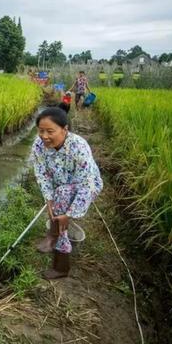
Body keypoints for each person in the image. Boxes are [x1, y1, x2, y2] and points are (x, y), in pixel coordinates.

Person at [31, 108, 103, 279]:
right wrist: (49, 200)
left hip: (87, 186)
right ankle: (61, 261)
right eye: (41, 131)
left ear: (65, 129)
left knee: (62, 201)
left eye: (50, 131)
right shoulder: (39, 145)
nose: (44, 136)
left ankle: (54, 236)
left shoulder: (78, 146)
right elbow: (42, 174)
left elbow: (87, 183)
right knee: (59, 200)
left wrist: (69, 215)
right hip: (60, 187)